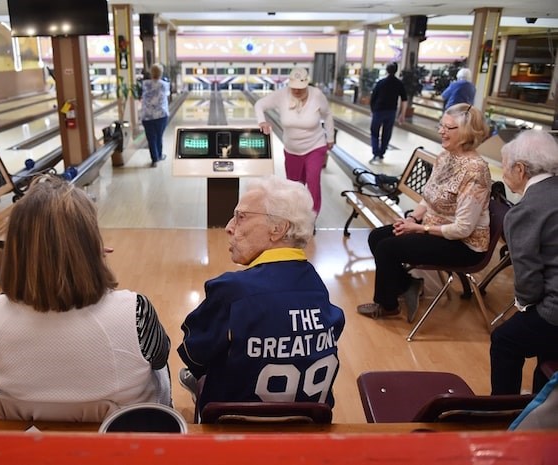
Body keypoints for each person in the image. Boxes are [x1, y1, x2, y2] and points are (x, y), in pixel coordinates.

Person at [0, 176, 172, 422]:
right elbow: (160, 356)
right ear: (91, 241)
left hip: (30, 439)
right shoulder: (135, 310)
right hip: (121, 440)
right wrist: (89, 262)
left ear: (17, 247)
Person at [177, 176, 345, 413]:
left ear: (277, 229)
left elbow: (193, 355)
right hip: (308, 429)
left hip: (232, 431)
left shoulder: (232, 290)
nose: (229, 227)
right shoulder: (317, 286)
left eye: (241, 217)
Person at [357, 104, 491, 322]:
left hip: (464, 245)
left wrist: (419, 229)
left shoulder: (475, 171)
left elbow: (463, 228)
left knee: (388, 248)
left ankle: (388, 305)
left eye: (449, 127)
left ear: (467, 133)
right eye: (441, 125)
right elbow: (428, 197)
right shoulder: (446, 156)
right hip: (433, 228)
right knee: (377, 236)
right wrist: (412, 218)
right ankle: (408, 284)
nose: (441, 131)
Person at [490, 129, 558, 395]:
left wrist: (525, 306)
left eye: (504, 167)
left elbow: (529, 284)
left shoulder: (525, 211)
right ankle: (542, 402)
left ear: (520, 169)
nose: (503, 173)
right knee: (541, 343)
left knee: (504, 339)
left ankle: (502, 412)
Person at [254, 68, 335, 218]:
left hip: (315, 146)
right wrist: (262, 121)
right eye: (294, 87)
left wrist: (330, 137)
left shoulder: (316, 95)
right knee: (293, 186)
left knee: (313, 182)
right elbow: (259, 104)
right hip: (292, 149)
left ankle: (311, 218)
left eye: (300, 88)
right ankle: (295, 217)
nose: (297, 91)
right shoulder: (281, 95)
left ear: (306, 84)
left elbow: (327, 114)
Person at [369, 62, 408, 164]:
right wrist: (402, 115)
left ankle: (376, 153)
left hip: (378, 111)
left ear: (386, 70)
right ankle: (381, 153)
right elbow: (404, 100)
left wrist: (372, 111)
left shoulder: (380, 83)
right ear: (396, 70)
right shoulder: (399, 83)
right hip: (391, 112)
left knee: (374, 132)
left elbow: (373, 98)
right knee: (387, 133)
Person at [140, 63, 170, 168]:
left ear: (151, 73)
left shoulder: (144, 84)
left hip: (147, 116)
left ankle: (154, 159)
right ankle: (160, 155)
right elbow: (167, 94)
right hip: (161, 115)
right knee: (159, 136)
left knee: (151, 138)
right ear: (161, 73)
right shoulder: (164, 84)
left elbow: (140, 95)